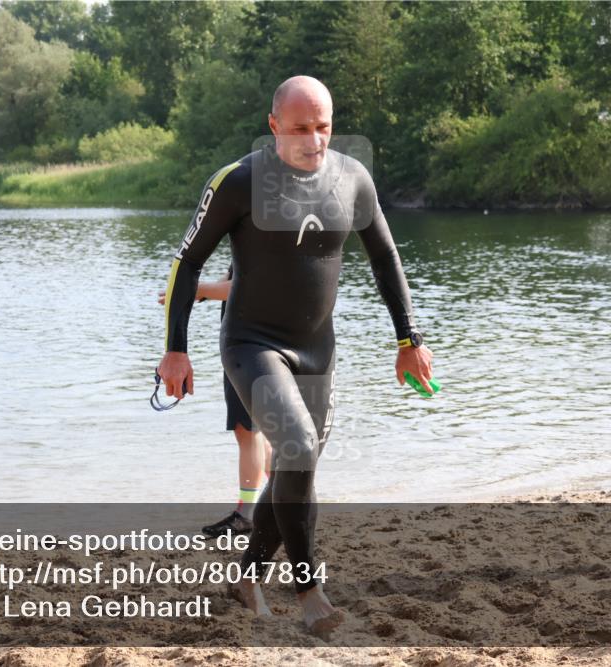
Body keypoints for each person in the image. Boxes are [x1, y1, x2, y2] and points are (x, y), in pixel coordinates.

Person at [157, 75, 434, 636]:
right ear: (275, 125)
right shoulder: (240, 181)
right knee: (299, 447)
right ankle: (308, 589)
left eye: (324, 127)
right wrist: (175, 351)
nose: (314, 140)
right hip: (251, 343)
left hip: (317, 350)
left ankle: (248, 576)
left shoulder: (352, 179)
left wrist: (409, 340)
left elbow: (386, 258)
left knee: (294, 469)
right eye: (301, 128)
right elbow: (186, 264)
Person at [158, 270, 274, 536]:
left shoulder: (266, 230)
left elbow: (250, 287)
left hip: (255, 343)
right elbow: (236, 276)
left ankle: (246, 513)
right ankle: (286, 496)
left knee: (248, 430)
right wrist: (198, 292)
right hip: (252, 341)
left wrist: (197, 288)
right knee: (258, 432)